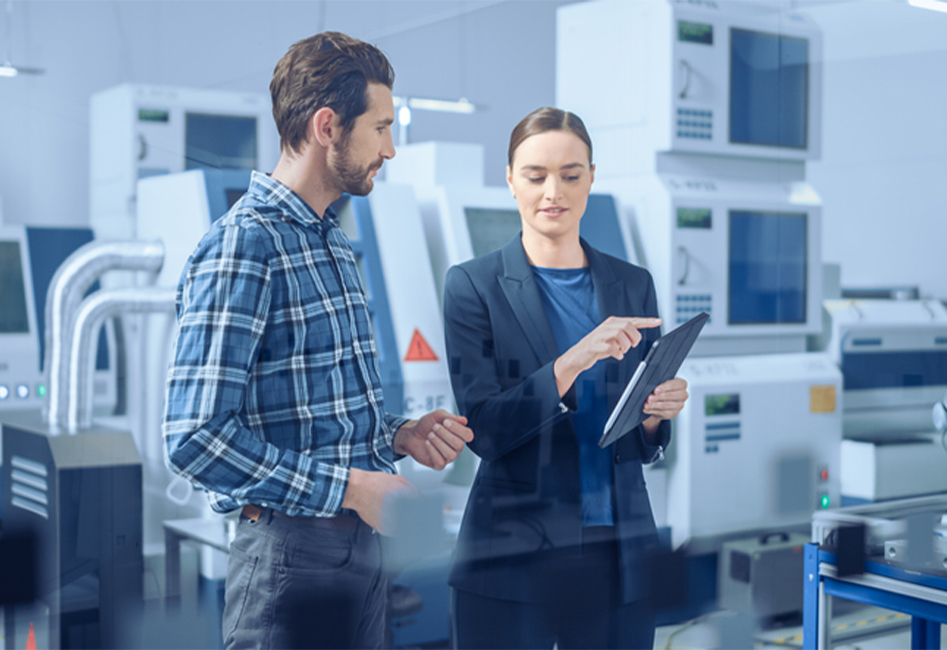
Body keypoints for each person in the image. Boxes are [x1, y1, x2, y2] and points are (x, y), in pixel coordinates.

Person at [162, 32, 473, 650]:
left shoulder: (329, 240)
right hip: (288, 559)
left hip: (359, 549)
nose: (390, 148)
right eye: (380, 127)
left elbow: (313, 408)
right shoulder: (246, 244)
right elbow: (194, 438)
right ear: (327, 125)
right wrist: (354, 487)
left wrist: (397, 434)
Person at [443, 107, 689, 649]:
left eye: (571, 175)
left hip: (617, 551)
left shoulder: (631, 284)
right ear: (510, 180)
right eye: (535, 176)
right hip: (512, 554)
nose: (553, 191)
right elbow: (484, 428)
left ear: (592, 179)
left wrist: (654, 417)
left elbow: (640, 441)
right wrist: (570, 362)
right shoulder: (473, 287)